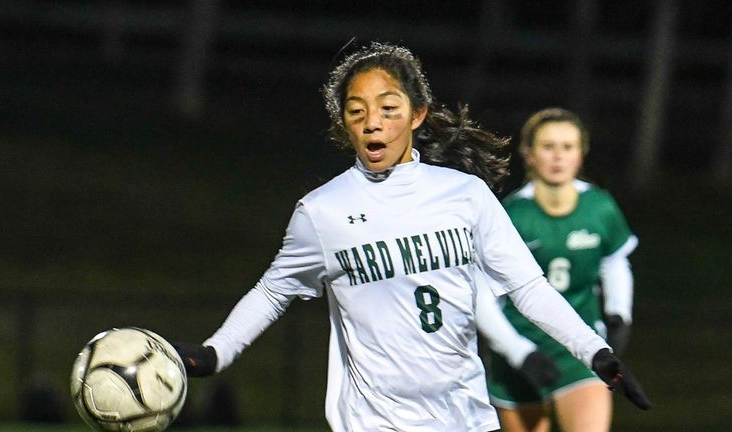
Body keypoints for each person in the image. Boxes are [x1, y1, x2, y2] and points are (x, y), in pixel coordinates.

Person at [172, 43, 650, 431]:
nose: (372, 122)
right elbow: (273, 291)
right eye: (356, 111)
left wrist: (597, 352)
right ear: (345, 123)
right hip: (374, 423)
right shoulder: (324, 211)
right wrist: (217, 352)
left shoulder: (465, 195)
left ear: (417, 115)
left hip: (466, 418)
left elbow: (527, 288)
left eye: (388, 108)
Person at [475, 107, 641, 432]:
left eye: (567, 147)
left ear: (581, 154)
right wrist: (518, 352)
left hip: (577, 351)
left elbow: (614, 260)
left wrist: (619, 312)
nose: (558, 156)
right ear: (528, 154)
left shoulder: (599, 207)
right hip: (521, 355)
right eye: (548, 146)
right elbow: (481, 295)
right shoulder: (511, 215)